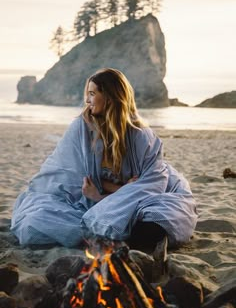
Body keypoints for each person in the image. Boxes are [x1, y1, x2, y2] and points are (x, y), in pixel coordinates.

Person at [11, 68, 198, 251]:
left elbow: (151, 185)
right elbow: (78, 181)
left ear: (110, 97)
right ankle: (112, 228)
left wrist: (103, 194)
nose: (87, 100)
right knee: (34, 222)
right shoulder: (81, 128)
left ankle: (116, 228)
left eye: (92, 94)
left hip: (136, 198)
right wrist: (122, 188)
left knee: (165, 216)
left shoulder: (142, 136)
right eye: (88, 94)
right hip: (86, 199)